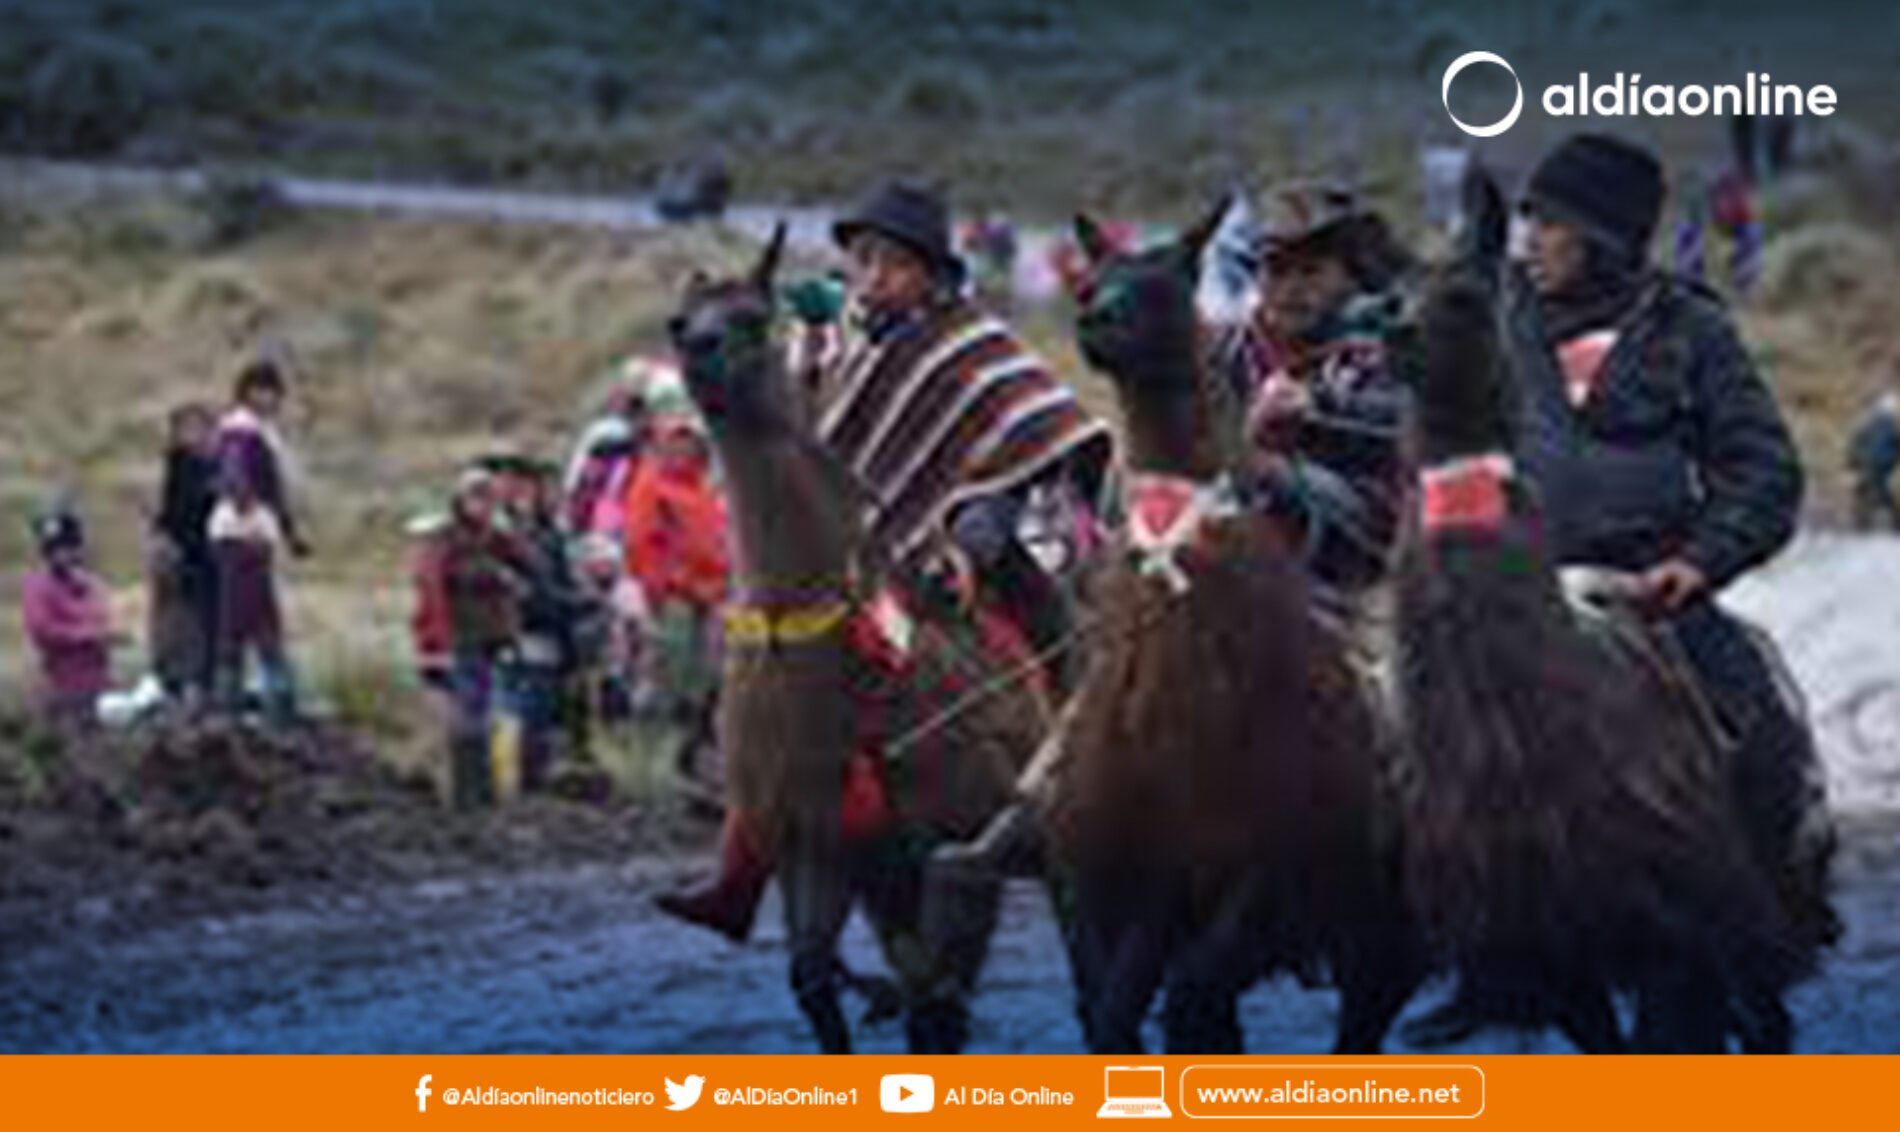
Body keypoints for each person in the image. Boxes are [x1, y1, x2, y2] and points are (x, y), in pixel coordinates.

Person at [1409, 133, 1831, 1046]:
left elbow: (1765, 470)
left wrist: (1700, 562)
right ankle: (1487, 957)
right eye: (1525, 219)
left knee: (1750, 728)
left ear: (1602, 236)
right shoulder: (1491, 318)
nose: (1529, 241)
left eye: (1550, 223)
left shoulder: (1689, 329)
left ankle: (1747, 920)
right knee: (1420, 745)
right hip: (1512, 594)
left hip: (1650, 592)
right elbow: (1416, 400)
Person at [653, 180, 1112, 942]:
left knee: (1055, 627)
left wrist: (971, 540)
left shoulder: (976, 348)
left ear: (933, 275)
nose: (872, 278)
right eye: (861, 261)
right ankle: (741, 865)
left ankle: (1079, 794)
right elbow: (801, 438)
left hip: (968, 545)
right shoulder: (835, 341)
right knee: (768, 677)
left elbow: (1023, 438)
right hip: (848, 554)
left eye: (891, 264)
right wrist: (793, 352)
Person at [1221, 182, 1420, 606]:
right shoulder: (1228, 352)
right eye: (1276, 270)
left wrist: (1322, 408)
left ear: (1351, 274)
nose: (1291, 288)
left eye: (1310, 272)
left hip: (1366, 543)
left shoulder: (1391, 343)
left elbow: (1414, 420)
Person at [212, 359, 307, 719]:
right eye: (264, 391)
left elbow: (275, 491)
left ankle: (269, 695)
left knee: (255, 616)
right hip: (241, 535)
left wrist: (288, 532)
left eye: (274, 392)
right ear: (249, 391)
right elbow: (234, 472)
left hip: (254, 534)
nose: (270, 399)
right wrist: (245, 503)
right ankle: (242, 700)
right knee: (244, 619)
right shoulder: (241, 430)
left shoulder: (259, 432)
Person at [440, 467, 528, 809]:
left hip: (496, 634)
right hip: (464, 634)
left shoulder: (496, 536)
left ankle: (489, 788)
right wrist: (497, 574)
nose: (483, 505)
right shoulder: (449, 537)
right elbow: (448, 577)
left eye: (488, 497)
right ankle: (466, 791)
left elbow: (526, 562)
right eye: (476, 497)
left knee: (493, 710)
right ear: (460, 501)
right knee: (469, 709)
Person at [149, 402, 221, 701]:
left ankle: (203, 681)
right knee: (178, 623)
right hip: (183, 557)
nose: (196, 437)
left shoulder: (212, 465)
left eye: (201, 429)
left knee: (207, 622)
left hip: (208, 558)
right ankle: (177, 680)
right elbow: (175, 511)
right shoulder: (181, 464)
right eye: (187, 430)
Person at [21, 511, 119, 728]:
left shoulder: (90, 584)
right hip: (62, 688)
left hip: (99, 686)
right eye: (56, 550)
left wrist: (108, 635)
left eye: (68, 548)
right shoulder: (37, 587)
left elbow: (103, 618)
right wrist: (88, 635)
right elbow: (42, 631)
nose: (64, 555)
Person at [1847, 389, 1899, 532]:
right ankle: (1892, 523)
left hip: (1868, 465)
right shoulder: (1890, 427)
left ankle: (1861, 522)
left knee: (1866, 493)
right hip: (1883, 466)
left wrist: (1852, 463)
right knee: (1884, 496)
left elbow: (1855, 444)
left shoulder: (1867, 426)